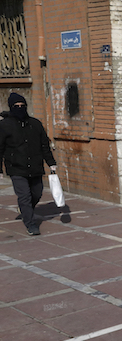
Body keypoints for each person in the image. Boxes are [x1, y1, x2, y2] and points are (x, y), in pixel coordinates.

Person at [0, 92, 57, 236]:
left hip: (36, 166)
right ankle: (31, 224)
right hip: (16, 167)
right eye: (16, 106)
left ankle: (25, 209)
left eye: (22, 105)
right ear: (11, 107)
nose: (20, 108)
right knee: (24, 196)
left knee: (37, 193)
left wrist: (51, 163)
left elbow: (45, 145)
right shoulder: (4, 125)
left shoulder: (35, 124)